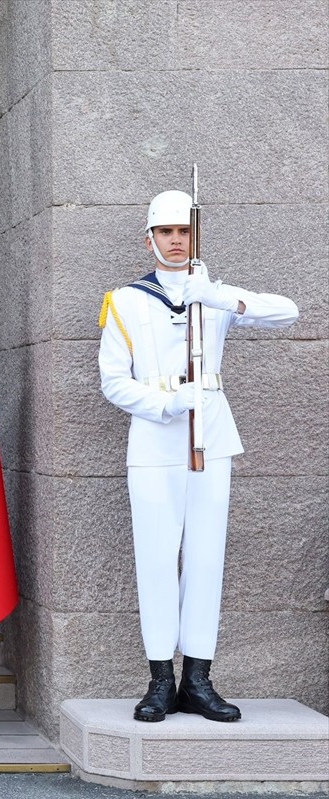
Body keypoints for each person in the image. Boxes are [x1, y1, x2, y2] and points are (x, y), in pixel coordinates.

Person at [98, 189, 298, 723]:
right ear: (149, 239)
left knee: (206, 559)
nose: (176, 240)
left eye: (184, 231)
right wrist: (166, 403)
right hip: (155, 442)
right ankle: (161, 679)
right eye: (166, 232)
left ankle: (199, 679)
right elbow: (114, 383)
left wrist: (218, 296)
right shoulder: (125, 301)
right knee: (158, 560)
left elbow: (288, 312)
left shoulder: (213, 295)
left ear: (195, 236)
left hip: (211, 441)